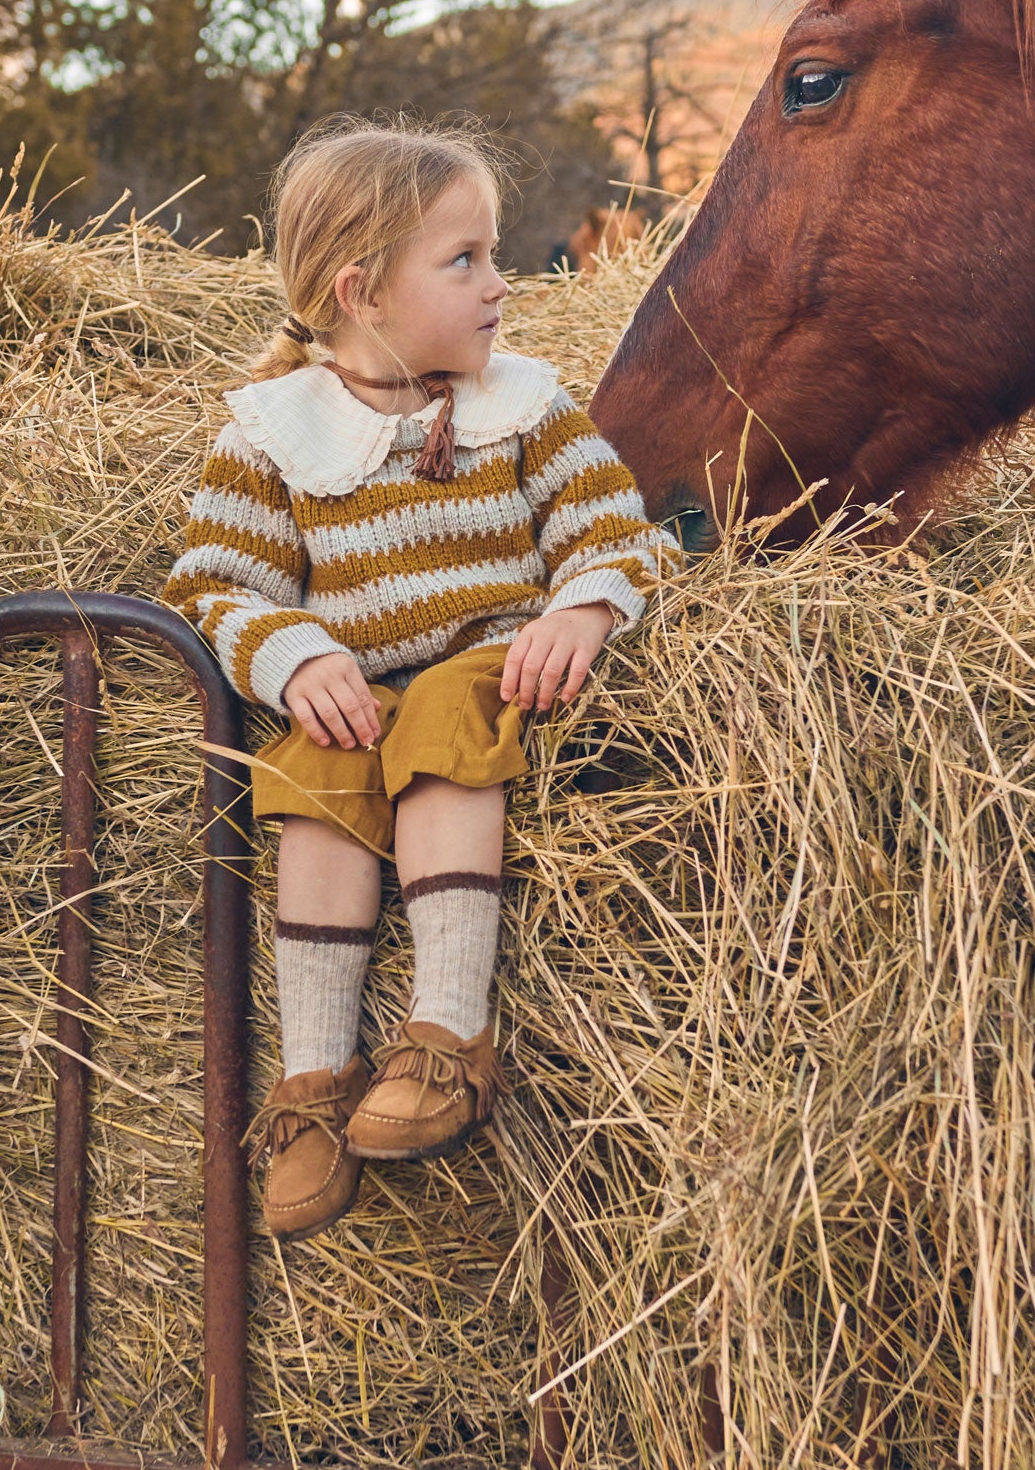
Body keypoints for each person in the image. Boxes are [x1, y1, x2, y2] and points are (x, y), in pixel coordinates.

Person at [162, 118, 675, 1242]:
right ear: (361, 291)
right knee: (311, 764)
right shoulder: (272, 434)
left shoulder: (526, 409)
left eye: (493, 254)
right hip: (362, 687)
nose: (500, 283)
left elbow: (616, 528)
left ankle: (446, 1038)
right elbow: (213, 586)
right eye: (465, 260)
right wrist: (295, 656)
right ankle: (312, 1087)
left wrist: (584, 605)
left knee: (442, 710)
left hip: (489, 664)